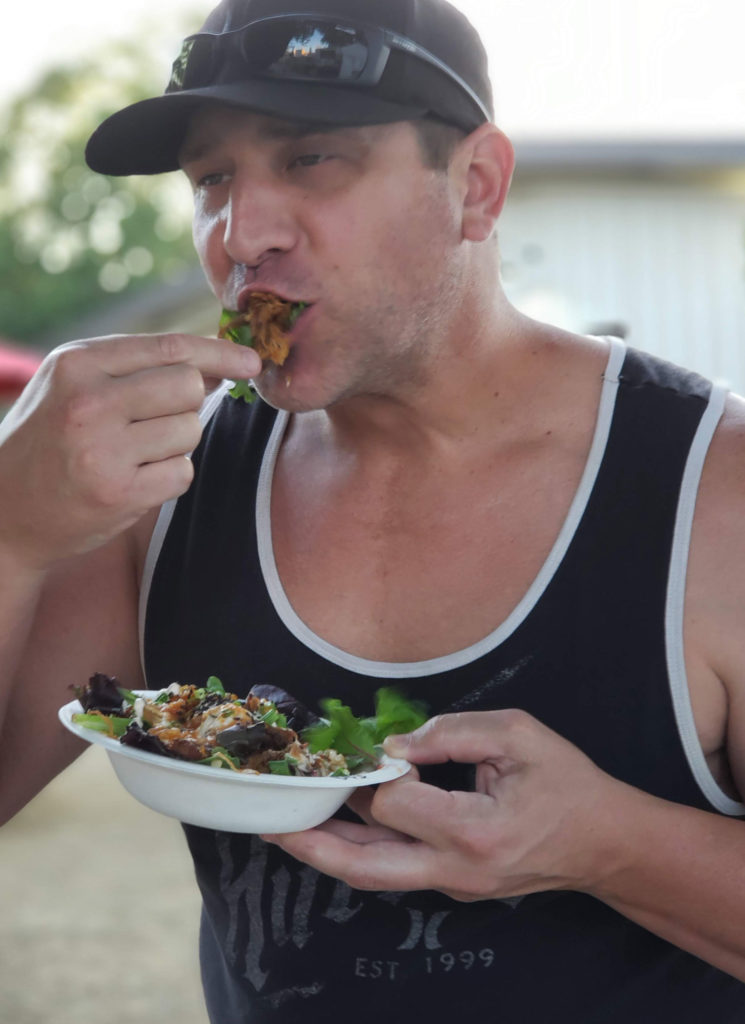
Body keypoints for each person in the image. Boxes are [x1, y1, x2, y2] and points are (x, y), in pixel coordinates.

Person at [1, 0, 745, 1019]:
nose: (241, 234)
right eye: (211, 178)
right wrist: (9, 528)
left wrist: (608, 845)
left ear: (474, 186)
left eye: (310, 159)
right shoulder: (164, 482)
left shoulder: (715, 485)